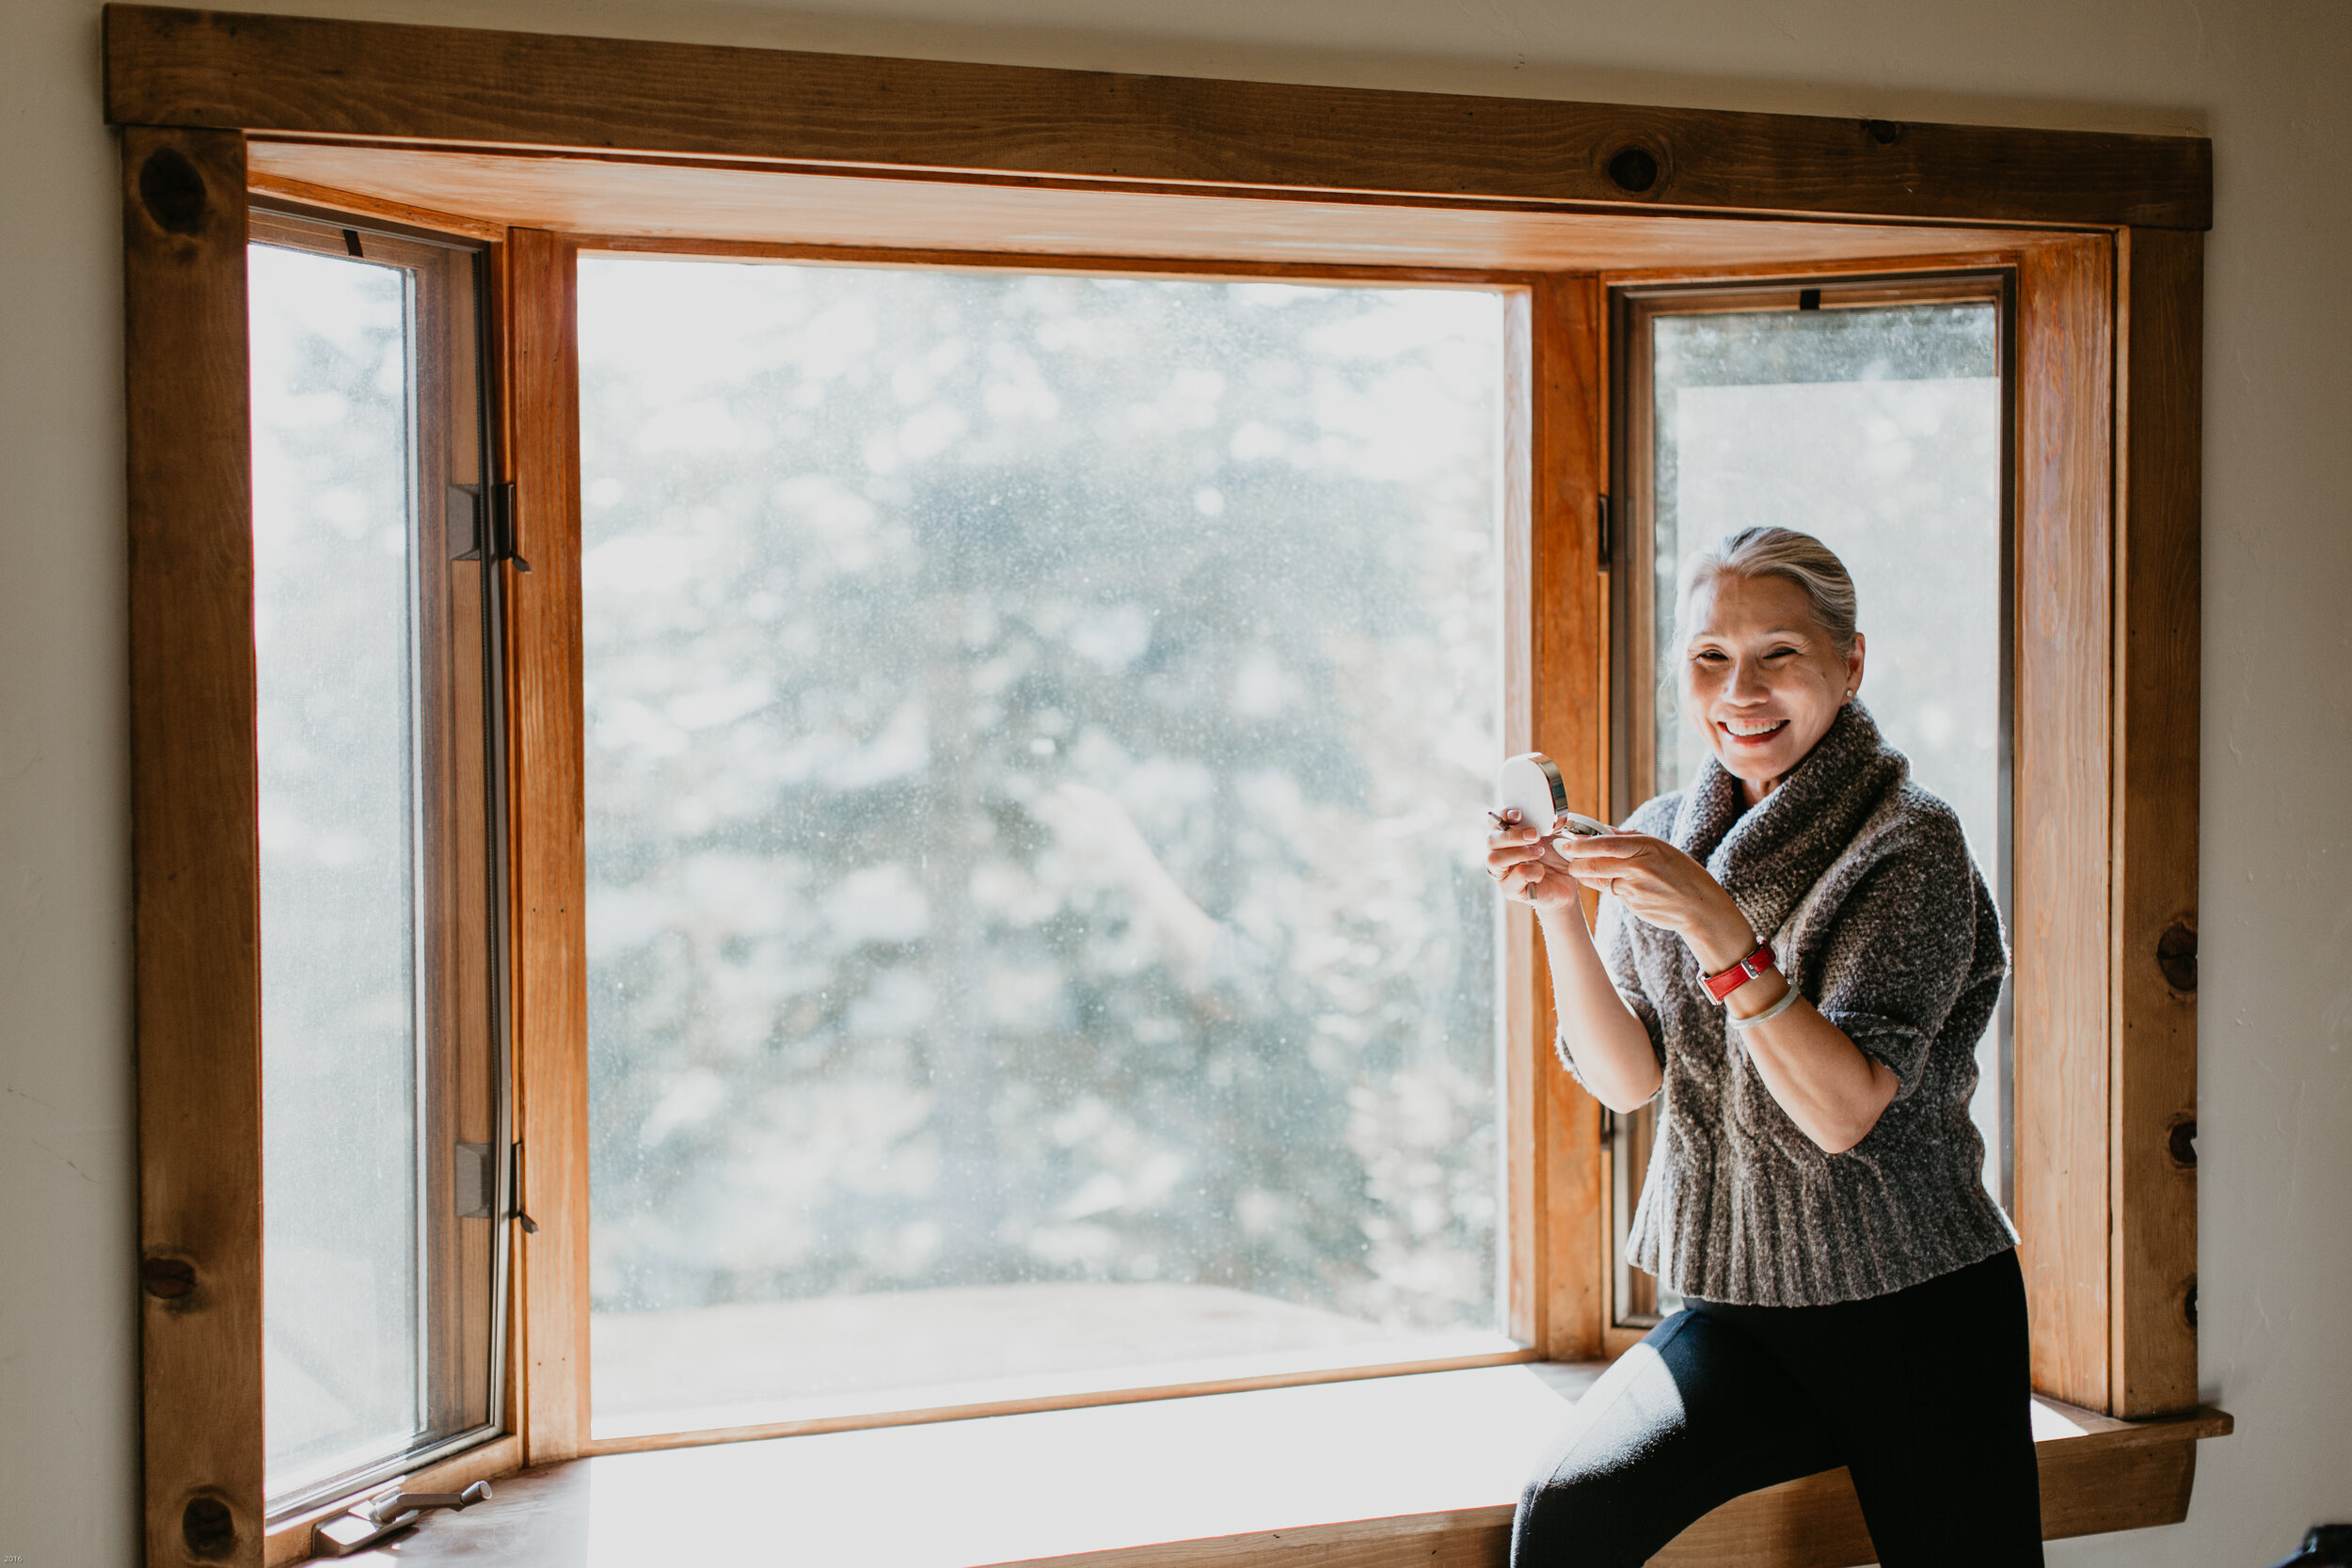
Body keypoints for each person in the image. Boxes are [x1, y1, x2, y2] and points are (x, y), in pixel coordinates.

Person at [1487, 526, 2039, 1567]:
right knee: (1564, 1522)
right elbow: (1628, 1077)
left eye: (1779, 652)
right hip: (1738, 1308)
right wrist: (1561, 911)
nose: (1740, 688)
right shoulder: (1663, 829)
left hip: (1917, 1311)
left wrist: (1716, 924)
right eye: (1709, 657)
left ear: (1850, 663)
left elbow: (1844, 1111)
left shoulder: (1908, 841)